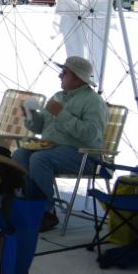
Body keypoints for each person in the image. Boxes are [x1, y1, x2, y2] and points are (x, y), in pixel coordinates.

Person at [13, 56, 107, 232]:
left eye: (64, 73)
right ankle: (28, 206)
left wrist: (62, 114)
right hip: (52, 149)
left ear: (77, 78)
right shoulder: (58, 96)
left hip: (83, 155)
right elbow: (40, 127)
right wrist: (30, 115)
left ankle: (46, 212)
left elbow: (92, 135)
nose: (59, 76)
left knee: (39, 159)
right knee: (20, 155)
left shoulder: (94, 101)